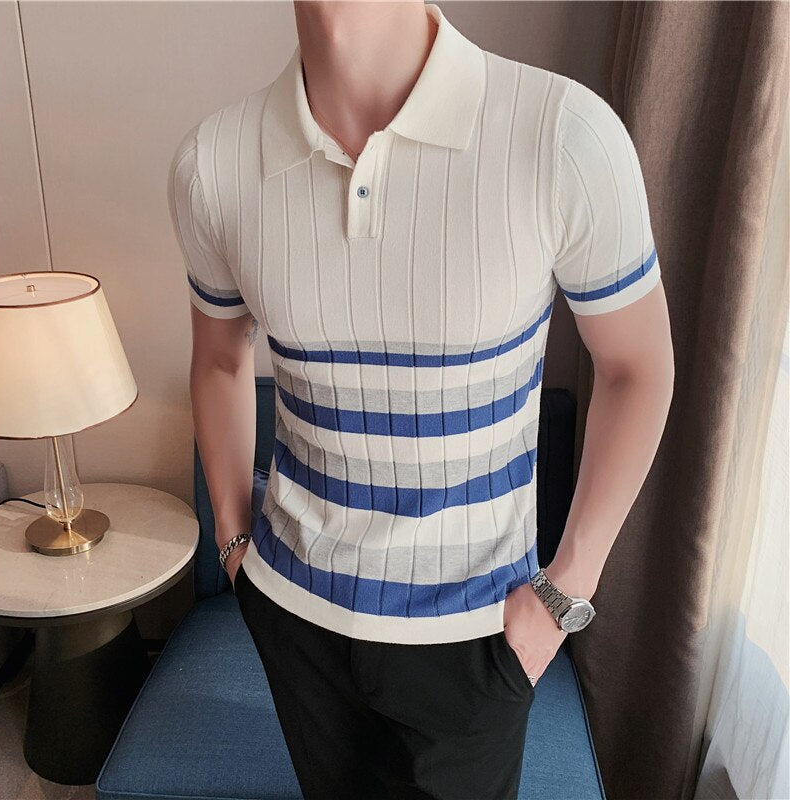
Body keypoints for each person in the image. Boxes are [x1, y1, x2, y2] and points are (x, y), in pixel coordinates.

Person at [167, 2, 674, 798]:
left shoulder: (562, 135)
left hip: (477, 633)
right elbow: (219, 360)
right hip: (294, 613)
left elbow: (638, 366)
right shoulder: (214, 163)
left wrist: (564, 593)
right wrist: (235, 546)